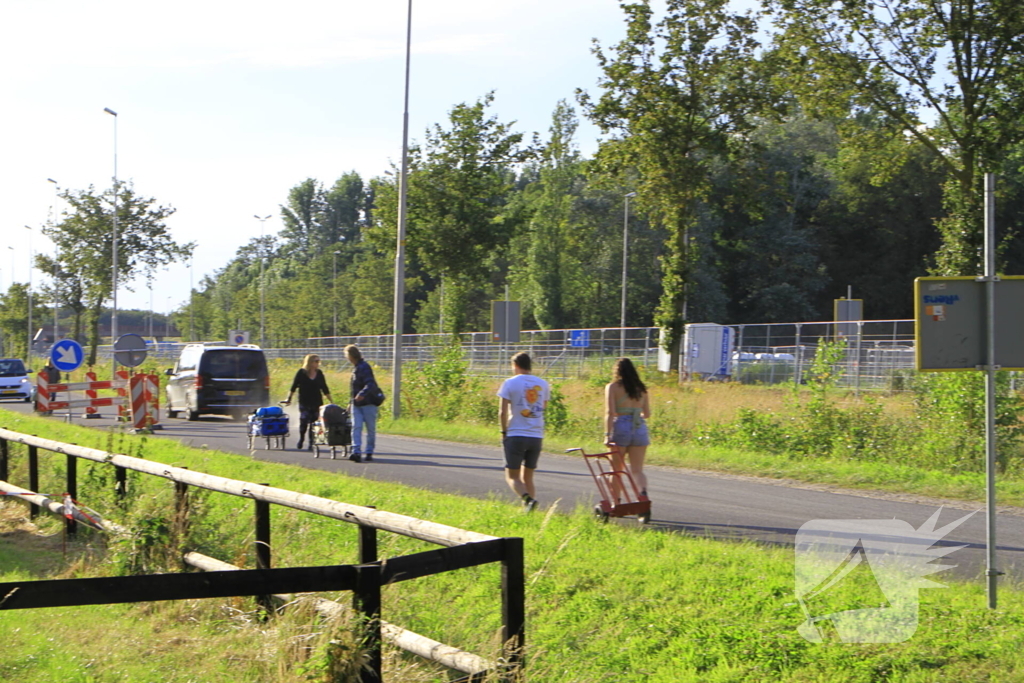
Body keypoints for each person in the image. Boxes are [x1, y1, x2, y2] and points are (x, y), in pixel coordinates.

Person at [497, 352, 549, 512]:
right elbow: (543, 406)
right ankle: (529, 511)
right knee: (528, 477)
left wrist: (504, 431)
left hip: (516, 433)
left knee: (512, 476)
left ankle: (528, 500)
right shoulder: (543, 384)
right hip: (536, 435)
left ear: (516, 365)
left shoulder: (509, 383)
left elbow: (502, 412)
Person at [604, 357, 651, 502]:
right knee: (637, 470)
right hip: (639, 426)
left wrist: (607, 435)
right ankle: (642, 495)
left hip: (621, 426)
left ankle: (616, 501)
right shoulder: (641, 388)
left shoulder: (613, 387)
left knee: (616, 470)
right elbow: (647, 414)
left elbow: (610, 413)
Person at [284, 354, 332, 451]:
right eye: (316, 361)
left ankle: (311, 442)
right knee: (304, 421)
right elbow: (294, 387)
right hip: (304, 401)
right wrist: (289, 398)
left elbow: (324, 388)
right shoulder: (301, 373)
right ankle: (302, 438)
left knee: (314, 423)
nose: (318, 363)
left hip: (317, 402)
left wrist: (331, 401)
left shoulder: (319, 373)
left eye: (319, 361)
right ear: (310, 362)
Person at [345, 344, 381, 462]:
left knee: (370, 428)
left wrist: (362, 394)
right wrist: (351, 402)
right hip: (356, 404)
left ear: (351, 355)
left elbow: (370, 383)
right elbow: (353, 389)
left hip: (368, 403)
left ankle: (369, 451)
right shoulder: (355, 368)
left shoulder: (364, 367)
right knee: (356, 426)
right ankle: (356, 452)